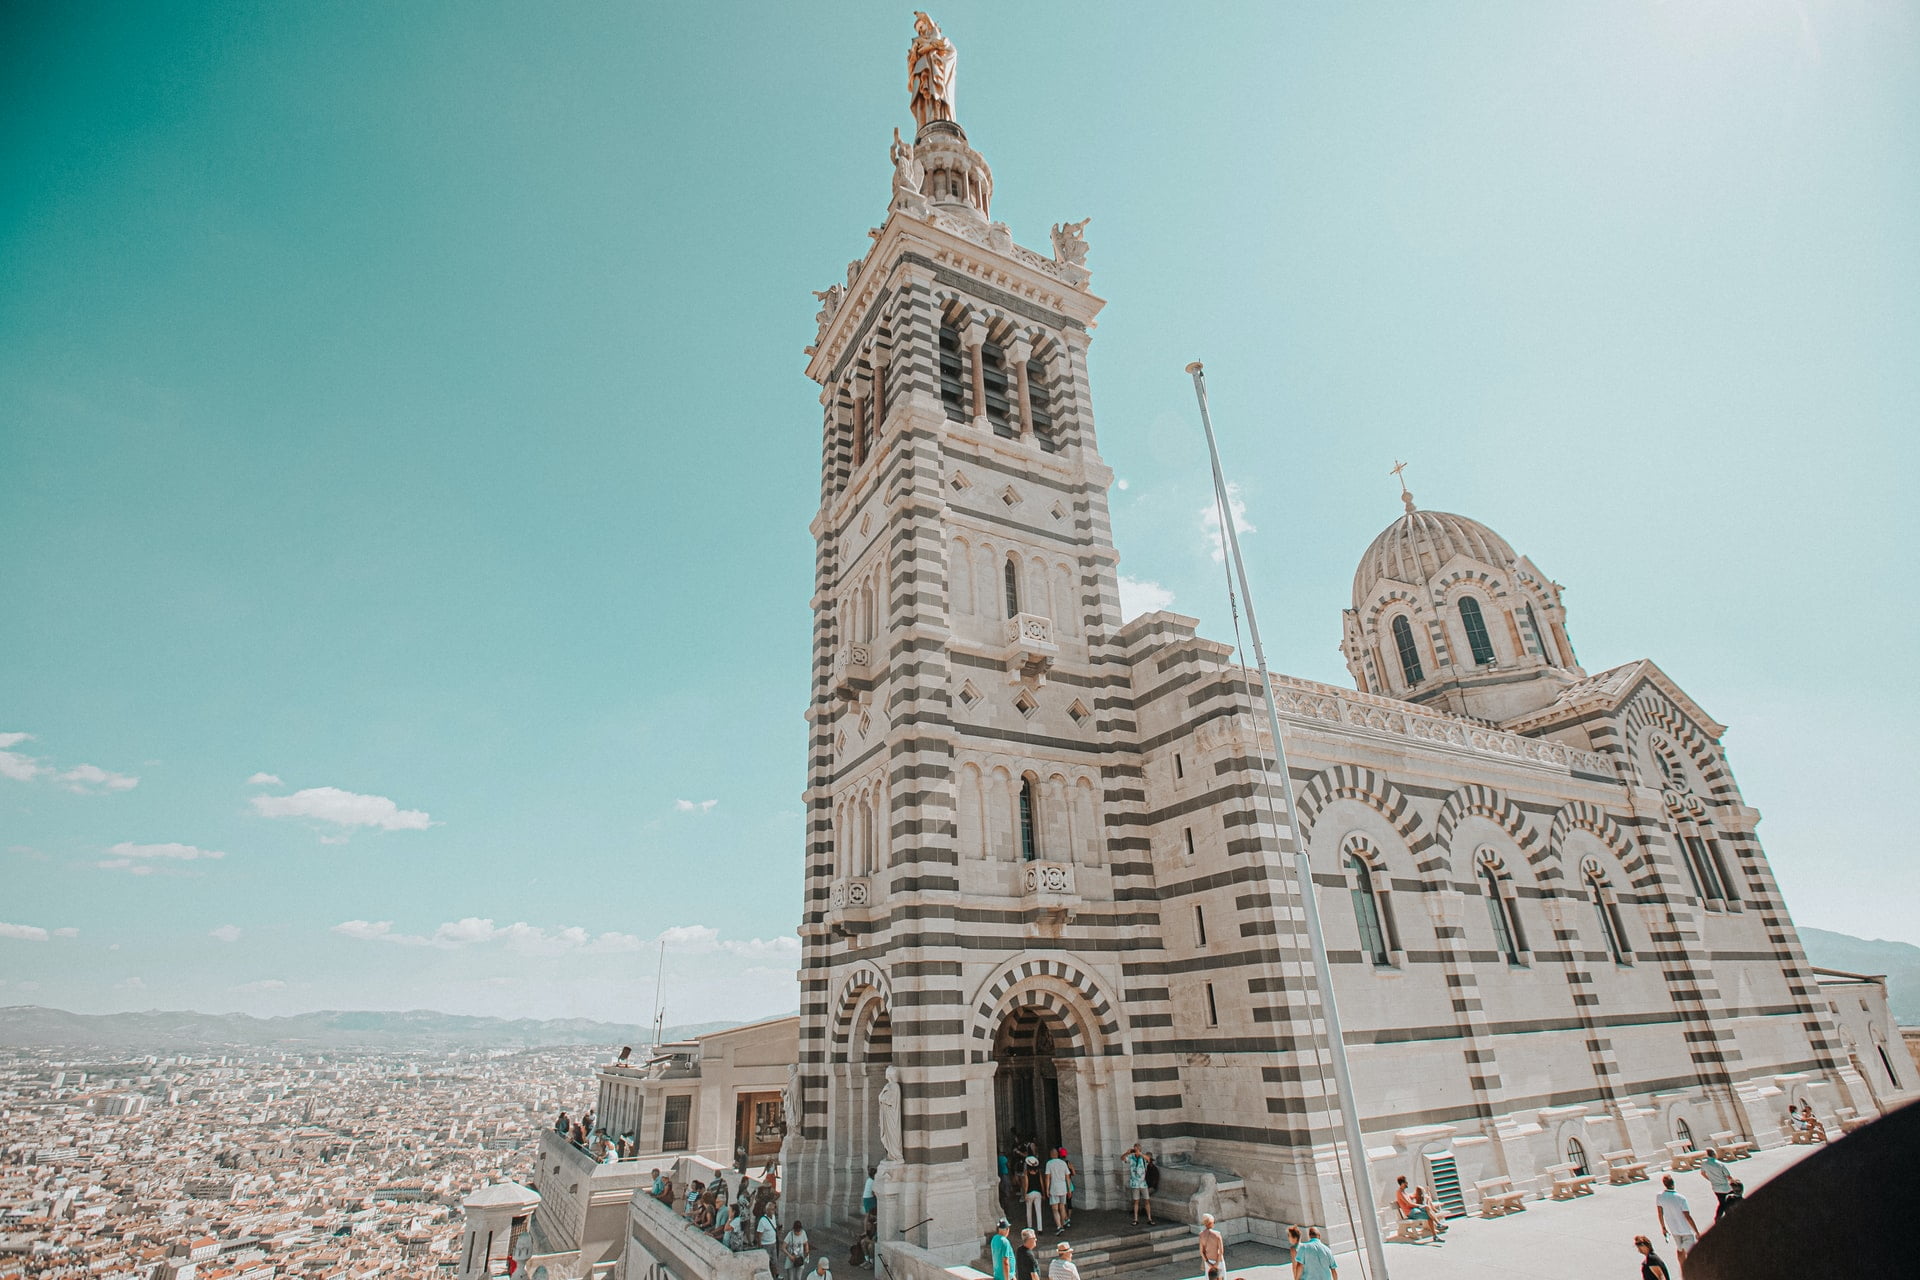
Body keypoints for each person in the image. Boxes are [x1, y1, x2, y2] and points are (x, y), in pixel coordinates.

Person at [1654, 1175, 1700, 1266]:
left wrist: (1663, 1227)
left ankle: (1683, 1269)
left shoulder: (1659, 1196)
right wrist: (1696, 1231)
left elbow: (1660, 1213)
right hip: (1686, 1230)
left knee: (1680, 1250)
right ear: (1673, 1183)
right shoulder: (1681, 1198)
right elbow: (1687, 1216)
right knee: (1692, 1253)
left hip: (1674, 1230)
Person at [1699, 1150, 1733, 1220]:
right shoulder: (1720, 1164)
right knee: (1729, 1203)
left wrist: (1710, 1179)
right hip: (1725, 1187)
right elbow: (1728, 1176)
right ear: (1714, 1154)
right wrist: (1733, 1181)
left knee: (1722, 1202)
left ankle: (1718, 1217)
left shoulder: (1704, 1164)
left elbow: (1702, 1173)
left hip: (1716, 1187)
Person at [1044, 1148, 1072, 1234]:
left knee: (1055, 1209)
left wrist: (1047, 1189)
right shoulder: (1063, 1163)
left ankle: (1059, 1226)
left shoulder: (1049, 1163)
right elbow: (1067, 1177)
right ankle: (1064, 1222)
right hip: (1063, 1187)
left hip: (1054, 1187)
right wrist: (1069, 1189)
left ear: (1051, 1155)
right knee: (1062, 1206)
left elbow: (1047, 1177)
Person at [1123, 1143, 1152, 1225]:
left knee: (1147, 1200)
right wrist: (1127, 1153)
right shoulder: (1131, 1157)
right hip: (1135, 1183)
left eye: (1136, 1149)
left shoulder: (1143, 1158)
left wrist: (1140, 1154)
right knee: (1136, 1201)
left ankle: (1149, 1218)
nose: (1135, 1151)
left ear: (1140, 1149)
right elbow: (1122, 1158)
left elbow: (1149, 1159)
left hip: (1143, 1183)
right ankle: (1135, 1219)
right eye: (1134, 1149)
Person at [1198, 1213, 1225, 1280]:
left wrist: (1208, 1263)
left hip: (1208, 1261)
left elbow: (1201, 1252)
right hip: (1218, 1261)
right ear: (1211, 1223)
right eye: (1213, 1222)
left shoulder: (1201, 1235)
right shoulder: (1217, 1234)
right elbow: (1221, 1251)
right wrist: (1217, 1264)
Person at [1023, 1156, 1044, 1233]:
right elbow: (1041, 1183)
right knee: (1038, 1211)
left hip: (1030, 1192)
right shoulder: (1038, 1172)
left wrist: (1025, 1194)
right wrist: (1043, 1193)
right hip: (1038, 1192)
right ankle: (1040, 1228)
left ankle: (1030, 1226)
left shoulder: (1027, 1173)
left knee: (1029, 1210)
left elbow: (1026, 1184)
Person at [757, 1204, 781, 1271]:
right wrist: (759, 1247)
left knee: (774, 1261)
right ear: (767, 1210)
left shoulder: (773, 1217)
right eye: (772, 1209)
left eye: (774, 1209)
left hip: (773, 1243)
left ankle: (776, 1274)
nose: (774, 1211)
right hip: (765, 1244)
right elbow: (759, 1234)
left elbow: (775, 1227)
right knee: (765, 1262)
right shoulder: (762, 1220)